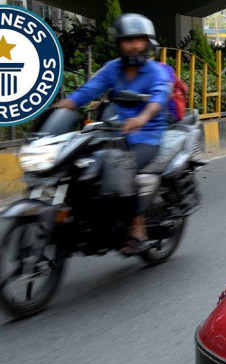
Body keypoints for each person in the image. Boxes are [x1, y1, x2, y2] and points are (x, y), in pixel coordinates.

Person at [54, 13, 172, 255]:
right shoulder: (113, 68)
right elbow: (88, 91)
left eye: (138, 40)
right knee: (84, 168)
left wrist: (141, 118)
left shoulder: (156, 71)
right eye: (128, 40)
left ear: (147, 43)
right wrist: (61, 107)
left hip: (147, 136)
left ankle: (138, 227)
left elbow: (159, 98)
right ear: (119, 43)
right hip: (115, 134)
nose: (134, 45)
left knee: (125, 169)